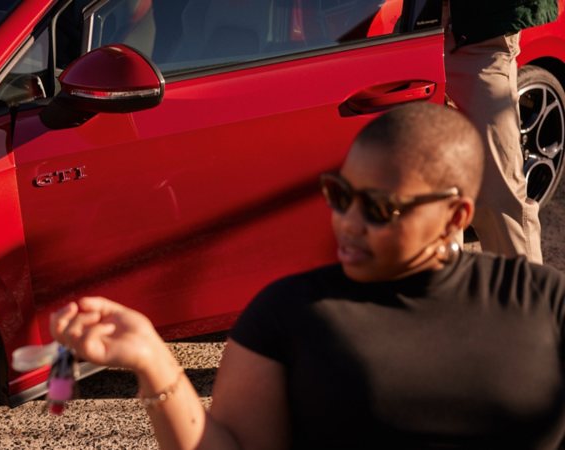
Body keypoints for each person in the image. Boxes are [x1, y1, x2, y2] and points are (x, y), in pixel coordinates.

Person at [50, 103, 565, 449]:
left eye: (379, 209)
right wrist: (155, 364)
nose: (348, 221)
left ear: (456, 216)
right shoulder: (286, 313)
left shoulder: (543, 301)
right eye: (339, 195)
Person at [444, 0, 558, 264]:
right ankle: (446, 300)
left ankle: (525, 302)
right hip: (401, 32)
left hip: (477, 38)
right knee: (434, 196)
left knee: (499, 197)